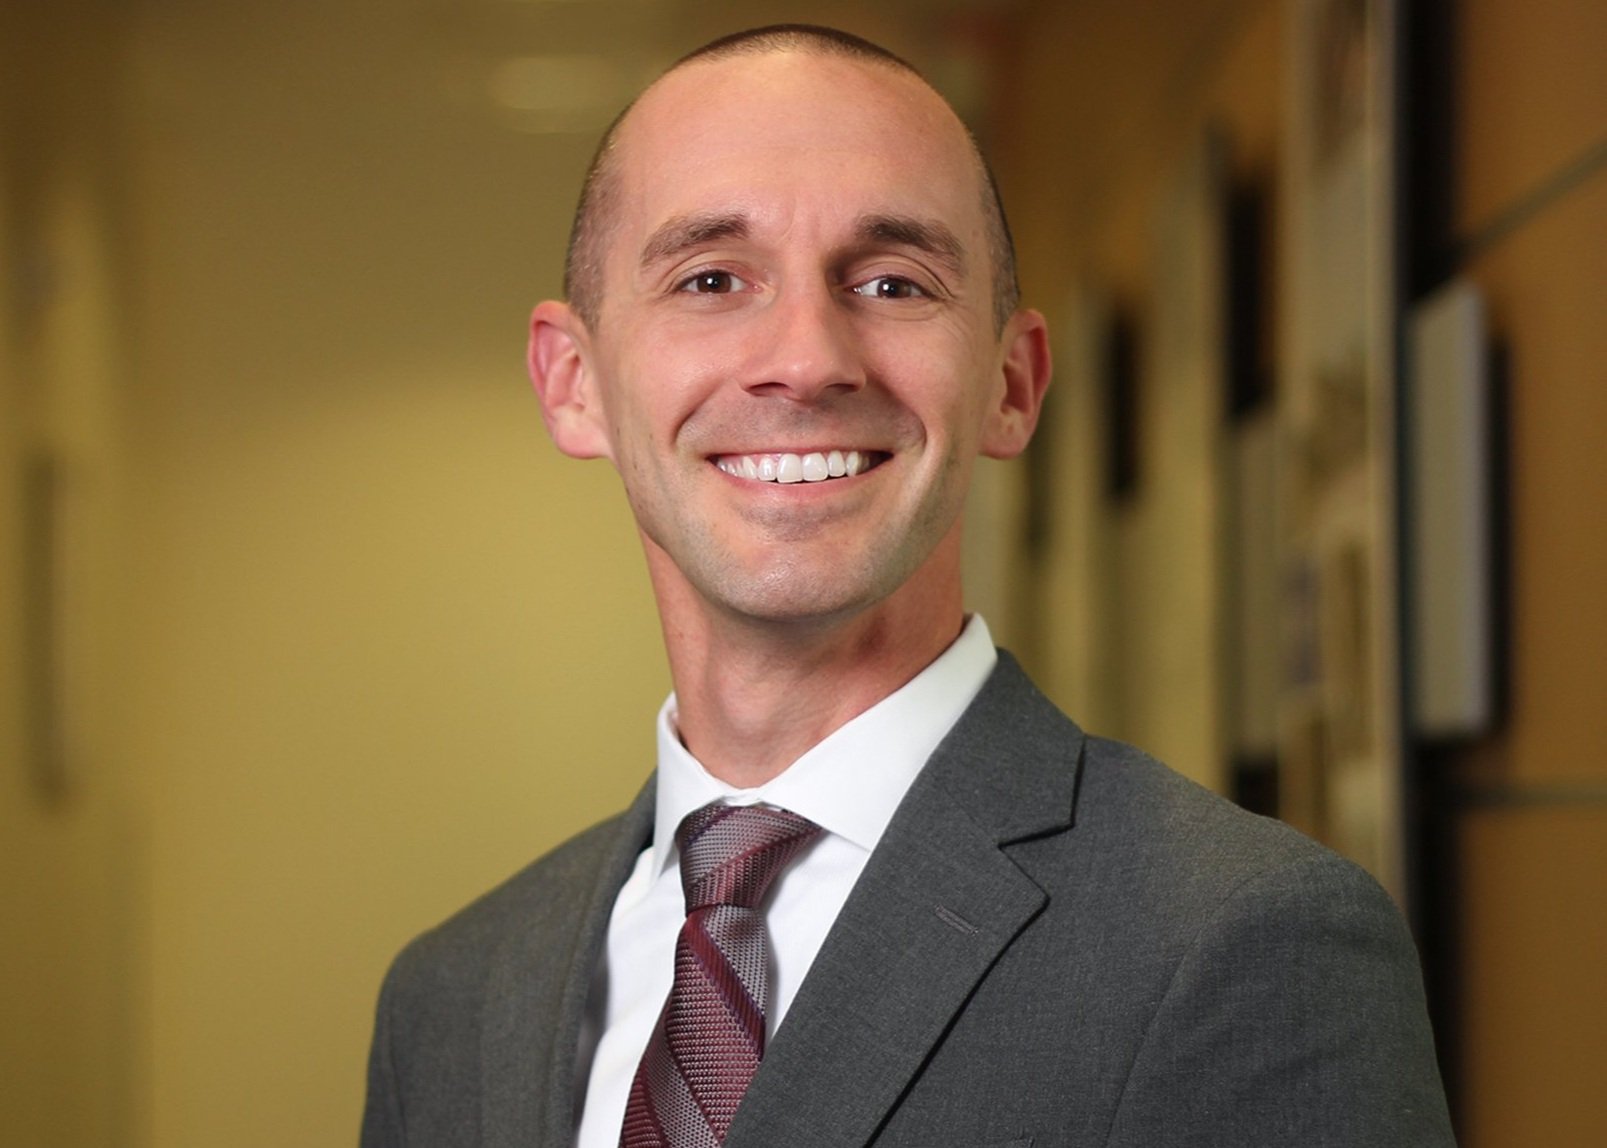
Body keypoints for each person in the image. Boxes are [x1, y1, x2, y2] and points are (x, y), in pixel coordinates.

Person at [361, 24, 1455, 1148]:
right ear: (572, 381)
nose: (806, 356)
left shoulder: (1245, 943)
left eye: (891, 281)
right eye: (710, 278)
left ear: (1011, 383)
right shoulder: (449, 1001)